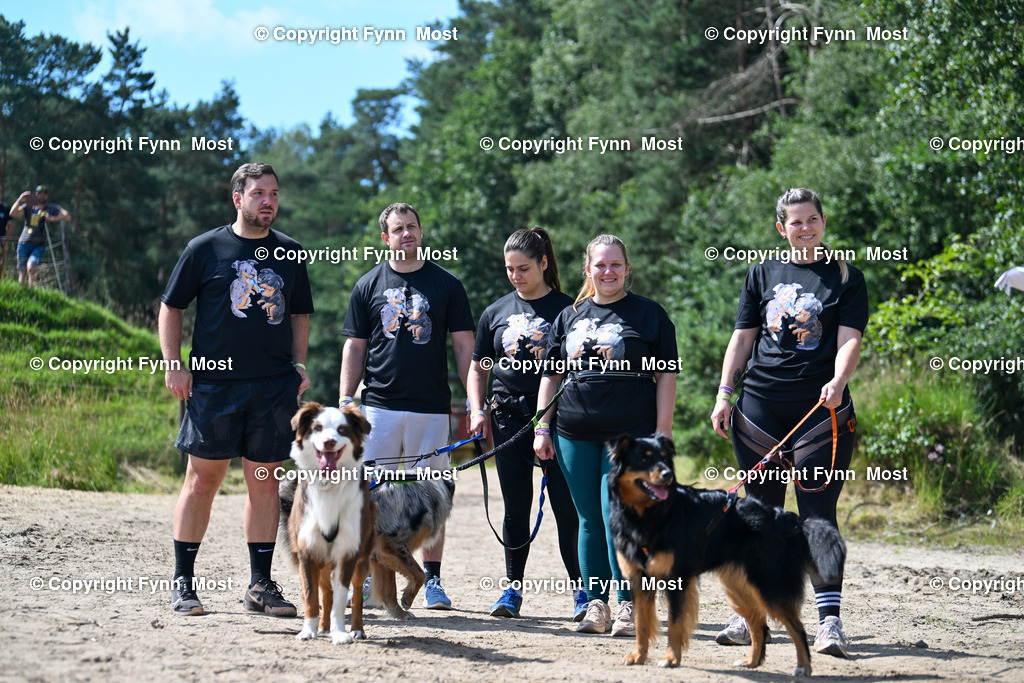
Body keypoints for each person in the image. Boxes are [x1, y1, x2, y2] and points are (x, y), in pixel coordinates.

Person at [709, 188, 868, 658]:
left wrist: (839, 380)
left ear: (823, 222)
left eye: (812, 219)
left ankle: (830, 623)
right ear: (782, 228)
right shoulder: (761, 273)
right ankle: (749, 615)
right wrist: (724, 393)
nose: (804, 228)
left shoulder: (846, 277)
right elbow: (741, 339)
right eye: (795, 222)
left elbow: (850, 339)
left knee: (817, 513)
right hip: (758, 407)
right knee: (759, 516)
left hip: (821, 411)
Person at [160, 162, 314, 617]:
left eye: (274, 193)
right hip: (213, 387)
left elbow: (298, 314)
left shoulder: (290, 253)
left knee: (264, 484)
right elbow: (171, 307)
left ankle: (260, 586)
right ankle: (184, 584)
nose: (268, 200)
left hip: (272, 389)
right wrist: (174, 365)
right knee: (201, 481)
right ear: (238, 199)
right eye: (259, 193)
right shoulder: (204, 248)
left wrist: (299, 363)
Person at [533, 234, 678, 636]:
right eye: (600, 265)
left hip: (630, 437)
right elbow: (551, 375)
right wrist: (541, 426)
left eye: (615, 264)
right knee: (589, 519)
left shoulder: (650, 315)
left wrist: (663, 432)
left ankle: (629, 605)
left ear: (627, 269)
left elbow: (667, 375)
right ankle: (596, 606)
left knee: (620, 516)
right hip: (573, 431)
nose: (608, 272)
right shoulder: (569, 316)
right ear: (588, 270)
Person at [339, 201, 475, 610]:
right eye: (397, 229)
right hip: (378, 406)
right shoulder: (367, 285)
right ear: (386, 237)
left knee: (433, 496)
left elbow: (464, 345)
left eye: (412, 226)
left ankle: (432, 580)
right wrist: (347, 400)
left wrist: (474, 401)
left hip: (431, 408)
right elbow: (355, 346)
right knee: (367, 495)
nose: (406, 234)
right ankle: (363, 579)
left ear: (421, 230)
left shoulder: (447, 284)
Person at [467, 227, 585, 620]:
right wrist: (476, 410)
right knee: (516, 507)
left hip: (557, 419)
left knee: (568, 509)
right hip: (506, 419)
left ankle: (583, 593)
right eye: (509, 269)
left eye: (523, 268)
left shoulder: (570, 311)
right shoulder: (495, 313)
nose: (515, 276)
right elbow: (478, 367)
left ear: (544, 264)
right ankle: (511, 592)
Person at [10, 185, 71, 288]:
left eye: (44, 193)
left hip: (39, 245)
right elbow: (12, 213)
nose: (42, 195)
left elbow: (67, 216)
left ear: (47, 196)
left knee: (31, 268)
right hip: (24, 243)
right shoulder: (28, 206)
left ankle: (32, 294)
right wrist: (19, 200)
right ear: (36, 194)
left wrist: (52, 218)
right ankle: (22, 295)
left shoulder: (51, 208)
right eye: (40, 193)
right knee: (22, 273)